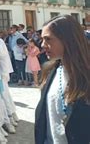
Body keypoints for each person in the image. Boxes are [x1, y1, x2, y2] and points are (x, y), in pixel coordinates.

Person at [35, 15, 90, 144]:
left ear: (68, 40)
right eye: (42, 39)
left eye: (48, 39)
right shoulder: (50, 72)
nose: (43, 45)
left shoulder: (86, 77)